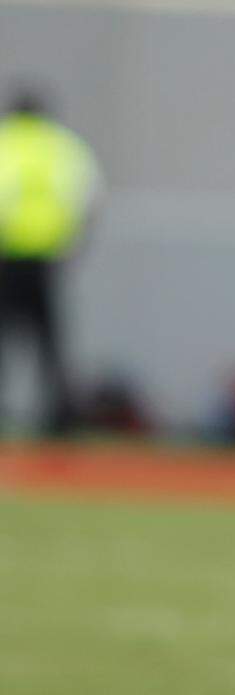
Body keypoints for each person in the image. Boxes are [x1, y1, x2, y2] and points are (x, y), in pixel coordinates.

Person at [0, 85, 101, 434]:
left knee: (5, 337)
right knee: (51, 342)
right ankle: (59, 417)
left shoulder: (6, 142)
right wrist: (71, 247)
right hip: (48, 258)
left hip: (8, 256)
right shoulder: (62, 146)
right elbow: (88, 200)